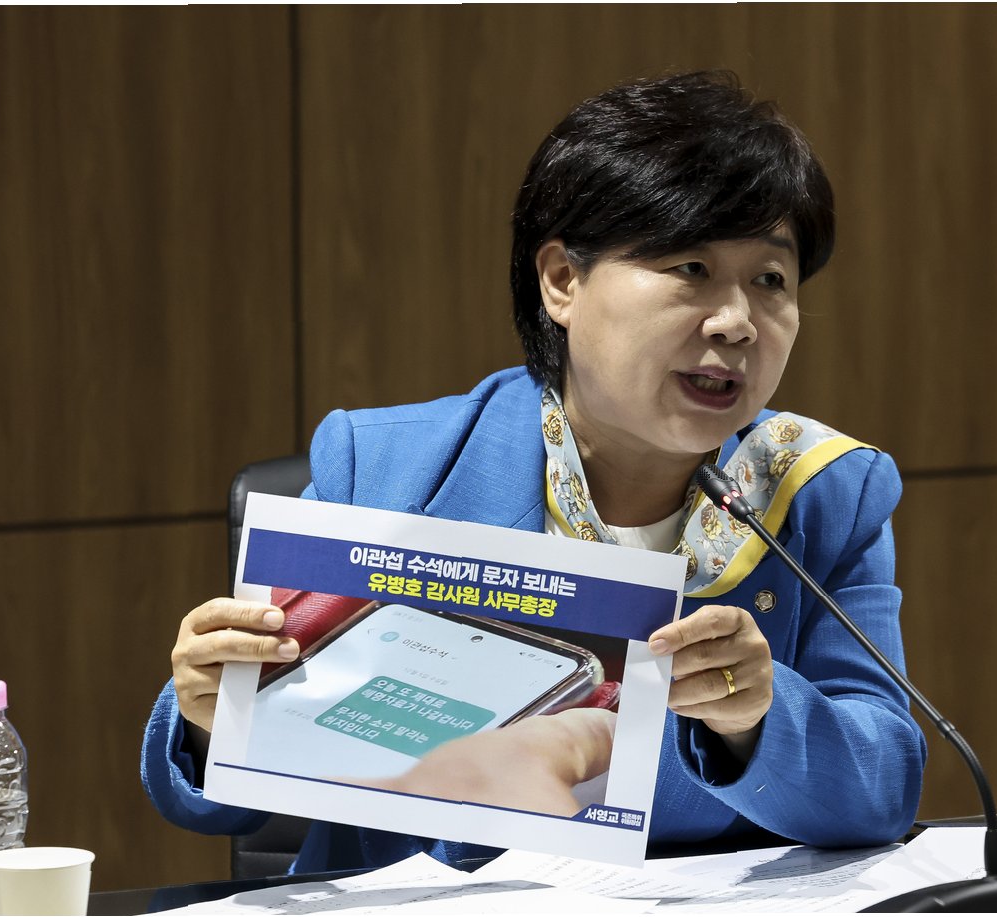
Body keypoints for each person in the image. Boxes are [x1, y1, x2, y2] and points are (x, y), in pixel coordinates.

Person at [142, 69, 926, 873]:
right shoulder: (386, 467)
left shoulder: (820, 489)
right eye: (691, 268)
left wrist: (758, 719)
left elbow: (884, 784)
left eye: (770, 280)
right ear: (562, 281)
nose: (737, 322)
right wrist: (208, 715)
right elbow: (226, 794)